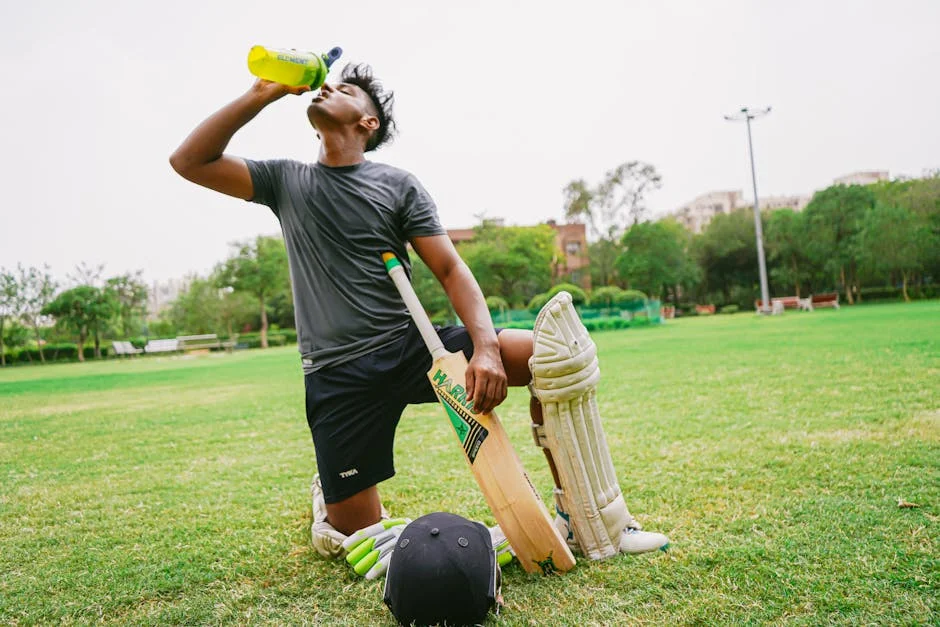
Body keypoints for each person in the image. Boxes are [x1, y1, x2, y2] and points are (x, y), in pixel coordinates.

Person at [169, 63, 668, 575]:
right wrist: (262, 93)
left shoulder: (397, 184)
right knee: (355, 538)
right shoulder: (284, 180)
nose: (327, 88)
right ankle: (331, 498)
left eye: (345, 90)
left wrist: (488, 350)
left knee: (555, 356)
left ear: (368, 123)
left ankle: (598, 519)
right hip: (336, 375)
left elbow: (451, 269)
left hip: (413, 348)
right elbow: (189, 160)